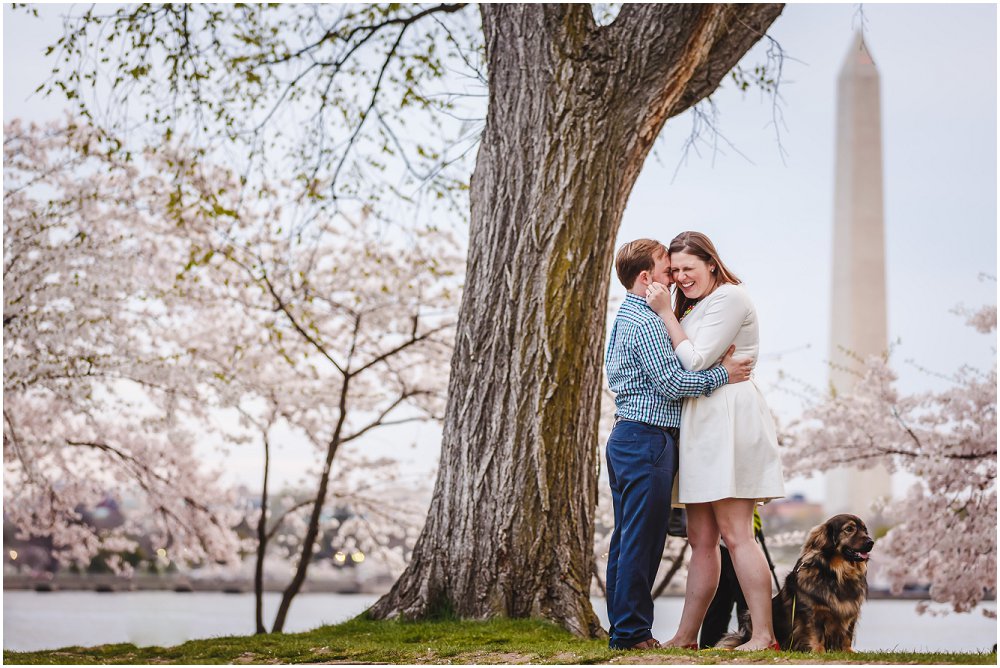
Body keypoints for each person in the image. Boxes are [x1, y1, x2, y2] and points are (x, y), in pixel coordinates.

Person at [604, 238, 753, 650]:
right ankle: (632, 634)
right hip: (648, 440)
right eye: (668, 271)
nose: (676, 277)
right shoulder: (648, 322)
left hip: (628, 438)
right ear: (648, 277)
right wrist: (723, 374)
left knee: (626, 538)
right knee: (642, 542)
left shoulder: (625, 317)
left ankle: (622, 630)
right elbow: (673, 383)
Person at [644, 231, 785, 652]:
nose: (682, 277)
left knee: (736, 532)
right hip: (700, 420)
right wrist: (681, 329)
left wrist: (668, 316)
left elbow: (696, 359)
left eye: (689, 268)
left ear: (711, 262)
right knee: (700, 539)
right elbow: (682, 365)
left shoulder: (730, 297)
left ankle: (764, 635)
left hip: (728, 417)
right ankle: (686, 638)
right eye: (676, 271)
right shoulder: (697, 306)